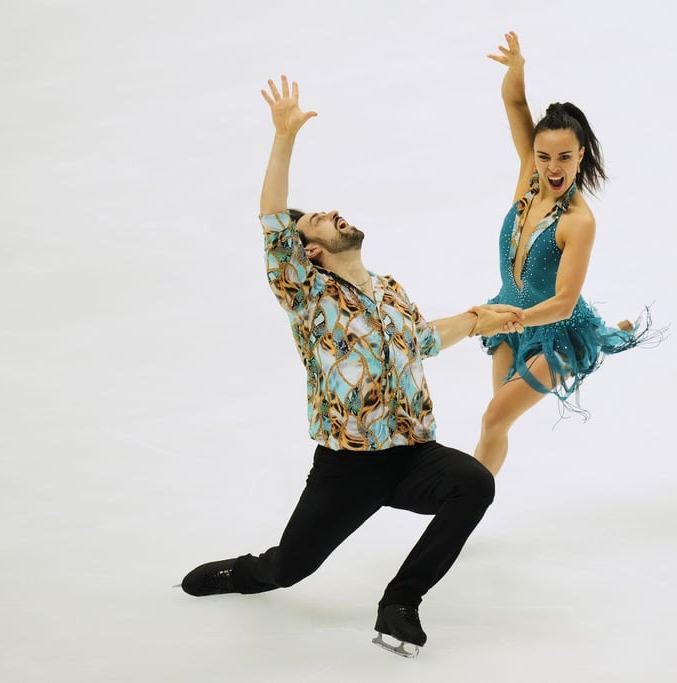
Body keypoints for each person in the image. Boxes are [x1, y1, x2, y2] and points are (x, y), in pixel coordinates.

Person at [179, 75, 525, 659]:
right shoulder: (308, 296)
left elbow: (417, 341)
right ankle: (246, 573)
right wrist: (284, 138)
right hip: (349, 467)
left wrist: (475, 319)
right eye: (317, 218)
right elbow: (272, 225)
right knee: (291, 568)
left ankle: (401, 602)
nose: (333, 213)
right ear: (309, 251)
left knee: (474, 483)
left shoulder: (389, 290)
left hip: (414, 455)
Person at [475, 31, 665, 476]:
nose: (552, 167)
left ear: (581, 155)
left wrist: (506, 318)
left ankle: (462, 509)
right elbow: (517, 107)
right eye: (544, 156)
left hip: (557, 334)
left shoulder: (579, 221)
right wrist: (517, 70)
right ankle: (607, 331)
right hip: (511, 318)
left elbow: (561, 302)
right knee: (496, 414)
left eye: (564, 156)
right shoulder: (529, 174)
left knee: (493, 418)